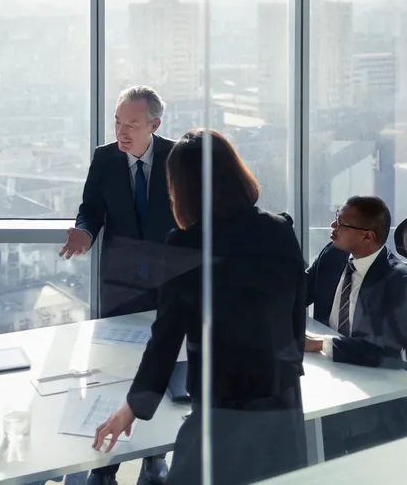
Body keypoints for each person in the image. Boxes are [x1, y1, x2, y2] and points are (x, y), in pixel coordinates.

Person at [93, 129, 308, 485]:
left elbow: (165, 338)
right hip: (281, 400)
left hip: (222, 407)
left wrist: (132, 408)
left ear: (184, 188)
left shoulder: (185, 244)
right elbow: (296, 312)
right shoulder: (279, 229)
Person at [61, 86, 175, 485]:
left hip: (170, 286)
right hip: (120, 286)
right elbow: (91, 207)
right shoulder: (105, 158)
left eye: (132, 124)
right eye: (117, 122)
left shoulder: (178, 158)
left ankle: (155, 458)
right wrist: (84, 231)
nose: (122, 132)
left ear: (155, 125)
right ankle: (104, 464)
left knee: (162, 370)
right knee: (111, 373)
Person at [304, 195, 407, 457]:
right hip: (335, 371)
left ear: (367, 237)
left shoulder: (398, 281)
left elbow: (385, 351)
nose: (332, 225)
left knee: (313, 434)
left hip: (377, 384)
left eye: (341, 222)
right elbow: (296, 293)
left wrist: (319, 344)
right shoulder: (333, 256)